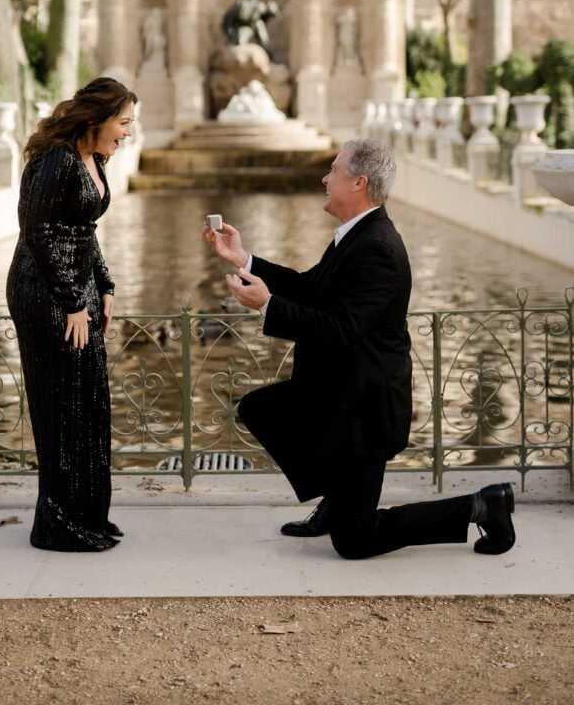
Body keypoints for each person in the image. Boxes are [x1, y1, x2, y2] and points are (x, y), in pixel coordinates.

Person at [202, 139, 516, 559]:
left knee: (354, 542)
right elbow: (310, 289)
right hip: (338, 394)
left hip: (364, 412)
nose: (324, 177)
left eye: (333, 170)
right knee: (261, 409)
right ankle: (338, 494)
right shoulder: (355, 236)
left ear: (358, 183)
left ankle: (482, 505)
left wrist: (268, 305)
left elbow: (342, 329)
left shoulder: (378, 249)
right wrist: (245, 260)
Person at [7, 77, 137, 552]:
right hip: (43, 292)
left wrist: (103, 285)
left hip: (75, 289)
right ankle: (57, 524)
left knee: (89, 402)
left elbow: (84, 230)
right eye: (124, 122)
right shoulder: (56, 161)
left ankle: (87, 515)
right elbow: (39, 232)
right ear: (98, 119)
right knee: (62, 405)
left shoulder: (94, 158)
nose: (128, 131)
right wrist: (72, 302)